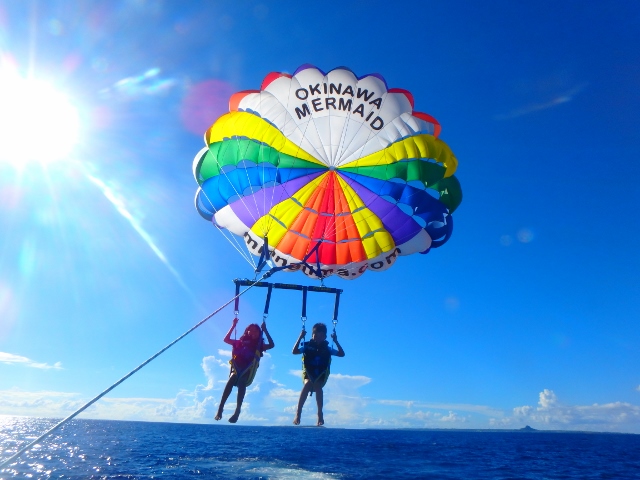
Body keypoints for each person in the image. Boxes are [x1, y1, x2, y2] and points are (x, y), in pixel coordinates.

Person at [215, 318, 274, 423]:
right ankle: (220, 407)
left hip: (248, 369)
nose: (252, 332)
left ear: (259, 333)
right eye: (250, 330)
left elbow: (271, 345)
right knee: (231, 379)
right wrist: (233, 325)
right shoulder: (240, 342)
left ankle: (237, 410)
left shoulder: (259, 345)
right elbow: (226, 339)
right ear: (247, 331)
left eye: (255, 331)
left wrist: (265, 330)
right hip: (237, 367)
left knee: (242, 382)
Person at [292, 322, 345, 426]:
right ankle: (298, 413)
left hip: (321, 375)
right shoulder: (306, 346)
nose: (318, 338)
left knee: (317, 385)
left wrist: (336, 341)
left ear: (325, 337)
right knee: (308, 384)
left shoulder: (328, 349)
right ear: (312, 335)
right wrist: (300, 337)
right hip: (308, 373)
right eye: (315, 335)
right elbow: (294, 351)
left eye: (321, 336)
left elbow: (342, 354)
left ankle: (320, 414)